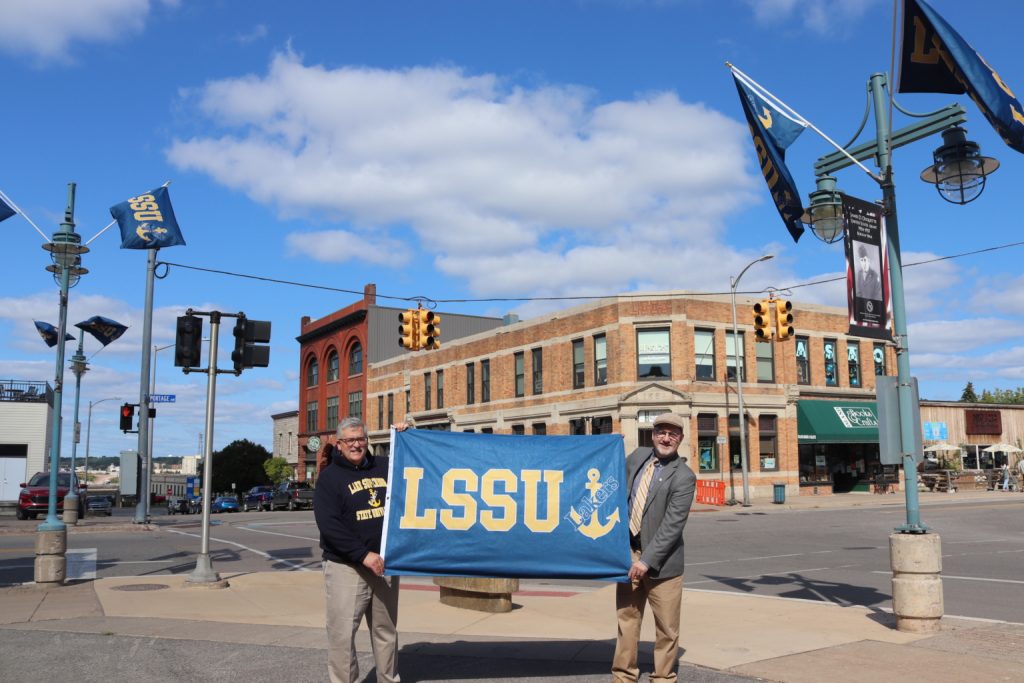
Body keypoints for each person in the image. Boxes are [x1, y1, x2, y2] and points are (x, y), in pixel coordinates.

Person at [314, 417, 407, 683]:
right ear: (340, 444)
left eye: (361, 439)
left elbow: (411, 463)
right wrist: (362, 555)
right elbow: (329, 526)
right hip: (347, 568)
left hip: (385, 565)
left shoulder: (383, 465)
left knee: (385, 632)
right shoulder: (330, 478)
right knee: (342, 636)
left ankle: (389, 679)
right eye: (350, 440)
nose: (356, 444)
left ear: (367, 441)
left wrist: (405, 435)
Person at [612, 413, 697, 683]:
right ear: (652, 434)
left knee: (667, 629)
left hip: (663, 565)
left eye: (673, 434)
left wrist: (645, 561)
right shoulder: (636, 457)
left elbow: (672, 526)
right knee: (627, 620)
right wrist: (611, 447)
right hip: (628, 554)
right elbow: (610, 478)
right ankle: (624, 675)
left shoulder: (684, 477)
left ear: (680, 439)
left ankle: (662, 677)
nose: (666, 438)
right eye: (662, 431)